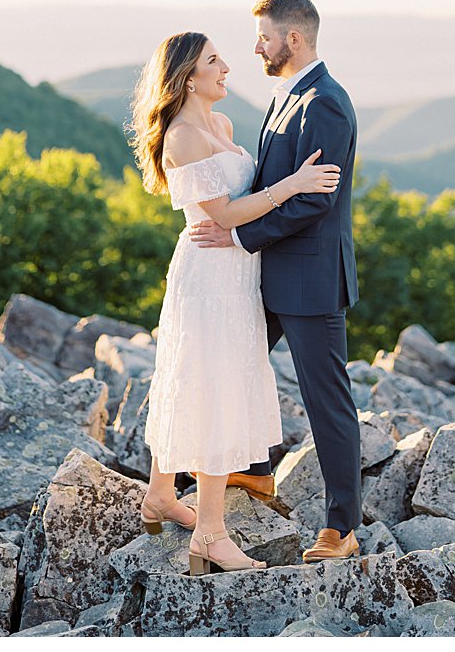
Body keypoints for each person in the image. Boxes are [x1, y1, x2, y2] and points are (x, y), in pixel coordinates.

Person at [129, 31, 341, 574]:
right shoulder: (181, 137)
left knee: (197, 377)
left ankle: (159, 495)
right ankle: (210, 533)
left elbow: (236, 211)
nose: (226, 67)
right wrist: (294, 184)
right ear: (187, 77)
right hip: (209, 276)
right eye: (213, 61)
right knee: (211, 384)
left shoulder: (220, 125)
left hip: (238, 273)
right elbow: (222, 216)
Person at [188, 0, 364, 563]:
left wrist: (238, 236)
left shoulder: (326, 104)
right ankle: (253, 473)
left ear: (293, 38)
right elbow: (269, 182)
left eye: (264, 35)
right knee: (234, 365)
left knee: (325, 399)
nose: (256, 46)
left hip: (311, 279)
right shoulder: (285, 97)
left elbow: (316, 200)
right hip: (263, 274)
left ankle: (342, 527)